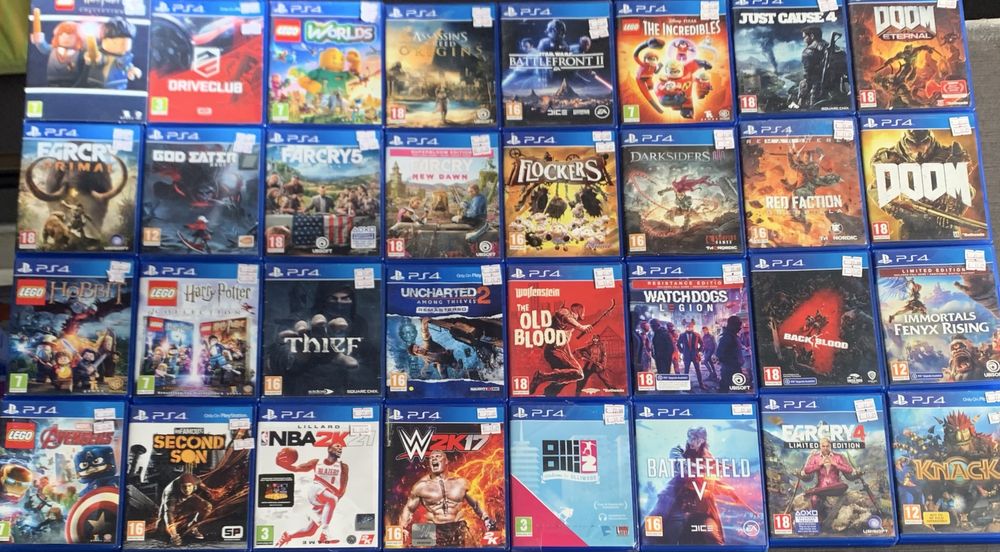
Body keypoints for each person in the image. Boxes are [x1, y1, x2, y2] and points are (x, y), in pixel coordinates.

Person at [398, 450, 495, 547]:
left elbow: (476, 504)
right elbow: (409, 508)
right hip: (430, 527)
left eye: (438, 456)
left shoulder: (461, 482)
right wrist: (402, 528)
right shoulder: (420, 486)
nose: (434, 459)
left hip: (457, 525)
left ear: (446, 461)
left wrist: (486, 518)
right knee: (418, 543)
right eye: (431, 458)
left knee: (471, 546)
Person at [275, 444, 350, 546]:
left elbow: (342, 489)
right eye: (337, 446)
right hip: (315, 491)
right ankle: (325, 533)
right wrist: (280, 464)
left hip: (326, 499)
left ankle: (288, 535)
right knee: (332, 499)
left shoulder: (343, 467)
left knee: (310, 531)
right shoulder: (316, 462)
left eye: (341, 447)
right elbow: (296, 468)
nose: (340, 448)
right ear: (329, 449)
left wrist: (333, 503)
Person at [159, 473, 213, 545]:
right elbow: (169, 513)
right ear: (180, 487)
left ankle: (192, 527)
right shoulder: (171, 494)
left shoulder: (196, 480)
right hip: (173, 498)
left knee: (207, 506)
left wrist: (210, 492)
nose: (187, 489)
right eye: (184, 487)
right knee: (161, 527)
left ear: (194, 485)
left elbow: (203, 486)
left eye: (189, 486)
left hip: (189, 497)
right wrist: (174, 535)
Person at [716, 316, 744, 392]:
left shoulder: (733, 336)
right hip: (729, 368)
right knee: (724, 389)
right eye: (738, 325)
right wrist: (730, 362)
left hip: (735, 367)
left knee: (740, 389)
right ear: (733, 325)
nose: (740, 327)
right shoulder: (727, 337)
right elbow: (719, 353)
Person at [677, 321, 704, 389]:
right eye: (687, 327)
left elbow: (702, 343)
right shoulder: (682, 335)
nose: (689, 328)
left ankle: (701, 385)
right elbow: (678, 344)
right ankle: (685, 386)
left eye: (690, 327)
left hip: (695, 355)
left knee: (698, 370)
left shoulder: (697, 334)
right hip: (686, 356)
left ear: (692, 327)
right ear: (685, 327)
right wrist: (682, 351)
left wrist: (699, 351)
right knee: (686, 371)